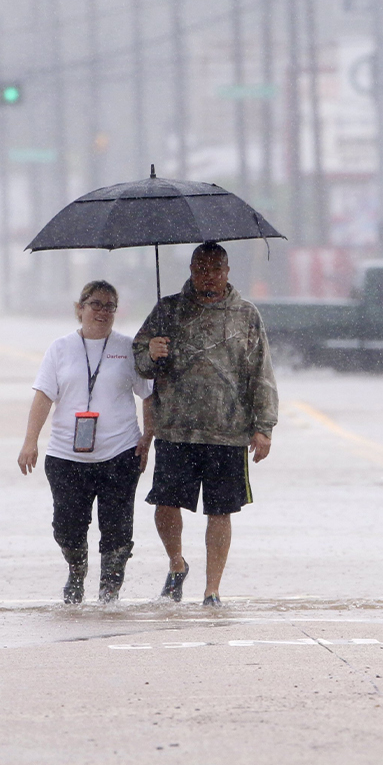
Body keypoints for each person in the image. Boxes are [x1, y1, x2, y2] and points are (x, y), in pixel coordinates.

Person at [132, 242, 277, 607]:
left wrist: (264, 426)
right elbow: (139, 359)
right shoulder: (168, 310)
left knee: (220, 510)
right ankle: (177, 563)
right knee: (165, 504)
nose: (205, 276)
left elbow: (261, 372)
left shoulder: (246, 315)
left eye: (213, 269)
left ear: (227, 272)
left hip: (227, 431)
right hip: (175, 428)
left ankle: (212, 589)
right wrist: (152, 352)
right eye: (199, 268)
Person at [18, 280, 154, 603]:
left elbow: (149, 396)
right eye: (96, 304)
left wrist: (148, 439)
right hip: (67, 456)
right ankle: (76, 568)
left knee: (118, 532)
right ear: (79, 309)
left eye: (110, 306)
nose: (103, 312)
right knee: (67, 528)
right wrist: (30, 441)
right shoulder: (60, 349)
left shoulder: (128, 348)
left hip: (120, 453)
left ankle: (109, 592)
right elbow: (43, 397)